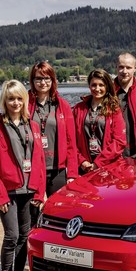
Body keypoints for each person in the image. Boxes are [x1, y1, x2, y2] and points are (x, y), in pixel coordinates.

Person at [0, 80, 46, 271]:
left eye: (19, 98)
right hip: (8, 192)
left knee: (24, 236)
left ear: (25, 100)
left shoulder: (33, 126)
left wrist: (39, 191)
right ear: (4, 101)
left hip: (29, 191)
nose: (15, 102)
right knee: (11, 235)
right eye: (11, 98)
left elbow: (39, 161)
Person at [27, 61, 78, 200]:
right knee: (32, 213)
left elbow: (71, 142)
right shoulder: (24, 104)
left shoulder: (63, 105)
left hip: (57, 169)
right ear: (32, 81)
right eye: (38, 78)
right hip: (32, 169)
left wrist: (72, 174)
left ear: (52, 80)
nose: (43, 82)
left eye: (47, 78)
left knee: (59, 210)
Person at [73, 69, 126, 174]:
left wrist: (98, 163)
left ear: (107, 86)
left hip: (110, 168)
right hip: (85, 168)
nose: (97, 89)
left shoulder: (114, 110)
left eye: (101, 85)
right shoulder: (78, 109)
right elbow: (71, 140)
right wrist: (82, 161)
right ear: (89, 86)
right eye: (94, 85)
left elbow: (119, 142)